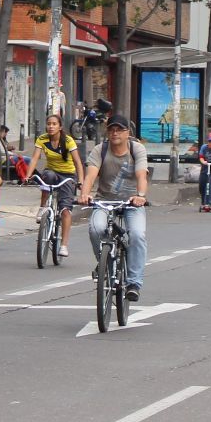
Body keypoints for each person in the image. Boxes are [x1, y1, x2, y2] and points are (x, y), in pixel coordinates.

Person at [78, 114, 149, 301]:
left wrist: (141, 196)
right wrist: (85, 194)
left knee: (137, 234)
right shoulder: (100, 150)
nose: (115, 133)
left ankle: (134, 283)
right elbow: (90, 176)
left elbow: (142, 175)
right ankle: (105, 266)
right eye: (111, 129)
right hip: (104, 201)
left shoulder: (137, 149)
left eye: (119, 130)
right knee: (96, 229)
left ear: (128, 133)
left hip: (131, 202)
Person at [28, 112, 82, 256]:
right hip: (51, 171)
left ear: (60, 127)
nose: (51, 127)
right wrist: (27, 175)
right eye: (49, 124)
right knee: (47, 176)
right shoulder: (42, 139)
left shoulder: (68, 141)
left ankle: (63, 245)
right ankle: (42, 207)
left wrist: (81, 181)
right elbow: (35, 158)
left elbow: (78, 162)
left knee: (65, 210)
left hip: (68, 176)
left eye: (54, 124)